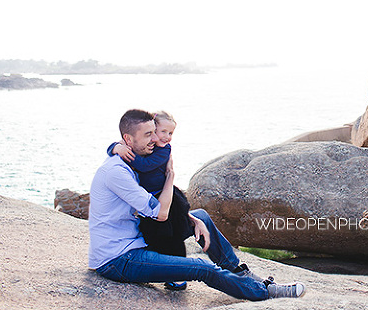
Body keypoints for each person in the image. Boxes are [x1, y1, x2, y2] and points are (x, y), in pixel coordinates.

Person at [88, 109, 305, 300]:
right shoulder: (116, 172)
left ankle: (240, 273)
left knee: (201, 216)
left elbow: (155, 206)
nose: (154, 139)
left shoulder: (131, 161)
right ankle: (264, 291)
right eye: (147, 135)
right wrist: (171, 175)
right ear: (127, 138)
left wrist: (190, 219)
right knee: (201, 268)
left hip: (137, 241)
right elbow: (160, 214)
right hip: (119, 259)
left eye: (154, 132)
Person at [107, 111, 192, 290]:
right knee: (153, 236)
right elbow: (113, 147)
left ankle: (179, 276)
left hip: (164, 197)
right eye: (163, 132)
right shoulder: (147, 146)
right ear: (152, 131)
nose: (167, 137)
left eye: (171, 133)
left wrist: (127, 153)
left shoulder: (164, 150)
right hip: (148, 200)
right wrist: (116, 148)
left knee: (173, 237)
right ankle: (160, 269)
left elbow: (144, 167)